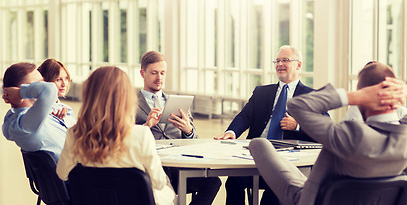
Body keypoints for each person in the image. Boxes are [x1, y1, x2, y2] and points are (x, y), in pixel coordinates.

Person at [249, 62, 407, 205]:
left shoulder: (351, 135)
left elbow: (297, 105)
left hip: (311, 201)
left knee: (259, 143)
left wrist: (356, 96)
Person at [214, 45, 321, 205]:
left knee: (275, 192)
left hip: (287, 161)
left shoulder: (311, 96)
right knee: (233, 182)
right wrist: (232, 131)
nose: (279, 64)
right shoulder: (262, 92)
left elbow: (323, 129)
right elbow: (245, 116)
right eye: (277, 61)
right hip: (255, 156)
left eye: (285, 60)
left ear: (298, 65)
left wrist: (298, 126)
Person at [56, 66, 175, 205]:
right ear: (127, 98)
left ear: (89, 96)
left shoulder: (74, 133)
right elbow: (159, 182)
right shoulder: (141, 135)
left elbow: (62, 174)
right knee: (168, 192)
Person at [135, 51, 221, 205]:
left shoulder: (178, 103)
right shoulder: (130, 104)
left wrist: (188, 130)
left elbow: (195, 141)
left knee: (213, 182)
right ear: (142, 73)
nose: (159, 78)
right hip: (152, 167)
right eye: (154, 73)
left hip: (178, 166)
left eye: (162, 73)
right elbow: (126, 136)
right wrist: (147, 126)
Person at [2, 62, 65, 162]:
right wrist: (19, 93)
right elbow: (50, 90)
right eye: (38, 83)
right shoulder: (23, 125)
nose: (45, 84)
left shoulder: (27, 119)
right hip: (83, 171)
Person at [38, 58, 76, 128]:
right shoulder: (38, 110)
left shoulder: (68, 110)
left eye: (66, 78)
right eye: (58, 80)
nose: (64, 84)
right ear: (44, 81)